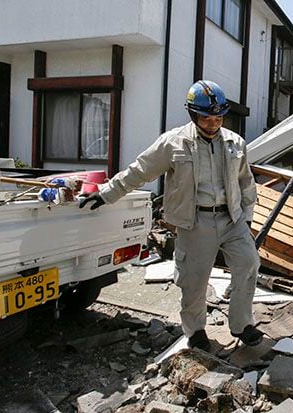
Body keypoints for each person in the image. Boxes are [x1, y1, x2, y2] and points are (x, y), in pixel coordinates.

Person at [80, 80, 263, 350]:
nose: (213, 123)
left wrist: (247, 217)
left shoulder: (235, 143)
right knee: (194, 280)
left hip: (232, 219)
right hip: (195, 221)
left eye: (218, 117)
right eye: (206, 118)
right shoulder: (174, 142)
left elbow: (246, 182)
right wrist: (107, 193)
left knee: (248, 264)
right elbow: (140, 170)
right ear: (192, 114)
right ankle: (196, 330)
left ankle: (242, 325)